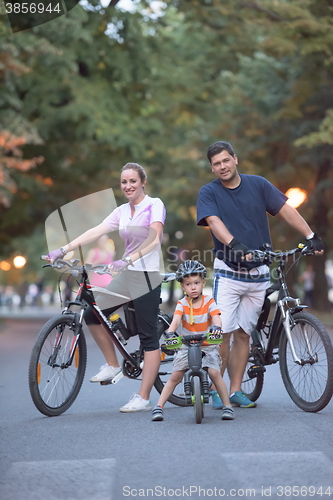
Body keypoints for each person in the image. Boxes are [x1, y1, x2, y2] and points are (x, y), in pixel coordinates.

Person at [196, 141, 325, 408]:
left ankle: (234, 391)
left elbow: (286, 210)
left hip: (258, 275)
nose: (222, 166)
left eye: (225, 160)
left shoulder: (258, 185)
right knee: (225, 333)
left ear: (235, 159)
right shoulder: (208, 192)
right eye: (216, 163)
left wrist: (310, 235)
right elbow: (214, 222)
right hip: (229, 274)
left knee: (244, 334)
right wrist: (236, 245)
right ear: (212, 167)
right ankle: (216, 387)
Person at [46, 162, 166, 412]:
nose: (128, 186)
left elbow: (154, 238)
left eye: (133, 181)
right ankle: (112, 364)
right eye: (124, 182)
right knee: (92, 313)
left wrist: (128, 259)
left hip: (147, 275)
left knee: (148, 337)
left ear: (143, 182)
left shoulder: (154, 205)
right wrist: (64, 249)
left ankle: (143, 398)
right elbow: (96, 230)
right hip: (128, 275)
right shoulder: (122, 211)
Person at [151, 260, 235, 421]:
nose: (193, 287)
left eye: (196, 283)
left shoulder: (209, 301)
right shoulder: (182, 304)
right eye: (188, 284)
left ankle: (227, 406)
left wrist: (217, 328)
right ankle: (159, 406)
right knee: (175, 375)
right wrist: (170, 332)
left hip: (207, 345)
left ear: (203, 282)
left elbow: (216, 317)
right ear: (183, 287)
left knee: (215, 373)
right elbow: (175, 320)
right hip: (186, 345)